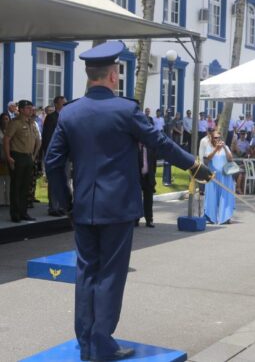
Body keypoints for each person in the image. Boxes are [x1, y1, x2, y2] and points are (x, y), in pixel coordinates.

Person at [44, 41, 212, 362]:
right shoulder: (126, 109)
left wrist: (66, 201)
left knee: (86, 273)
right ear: (113, 75)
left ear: (90, 75)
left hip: (83, 208)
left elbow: (52, 162)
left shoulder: (70, 113)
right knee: (110, 274)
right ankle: (103, 344)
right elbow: (160, 143)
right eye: (118, 71)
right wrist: (194, 165)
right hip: (117, 208)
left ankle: (86, 343)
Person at [3, 100, 41, 222]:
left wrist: (34, 156)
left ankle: (23, 212)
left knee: (26, 186)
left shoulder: (32, 123)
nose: (31, 110)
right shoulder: (15, 123)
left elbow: (37, 140)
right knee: (16, 186)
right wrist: (8, 156)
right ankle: (15, 214)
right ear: (21, 109)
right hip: (17, 156)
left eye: (31, 108)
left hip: (28, 157)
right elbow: (7, 140)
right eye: (28, 108)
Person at [42, 95, 67, 216]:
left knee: (63, 181)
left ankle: (61, 206)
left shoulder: (66, 117)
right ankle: (53, 207)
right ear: (56, 104)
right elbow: (47, 137)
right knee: (54, 181)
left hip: (65, 154)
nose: (65, 105)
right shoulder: (51, 118)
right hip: (55, 154)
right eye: (63, 103)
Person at [204, 130, 235, 224]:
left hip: (225, 176)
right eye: (215, 137)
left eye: (219, 137)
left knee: (225, 196)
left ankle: (225, 217)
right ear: (212, 138)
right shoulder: (209, 147)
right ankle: (210, 217)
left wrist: (224, 148)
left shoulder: (226, 147)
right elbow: (207, 160)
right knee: (211, 196)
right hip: (213, 176)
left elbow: (230, 159)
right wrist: (215, 149)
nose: (218, 139)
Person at [0, 113, 11, 206]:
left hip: (10, 157)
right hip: (0, 158)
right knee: (0, 180)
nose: (5, 121)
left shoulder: (12, 130)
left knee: (9, 179)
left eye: (7, 119)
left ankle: (9, 200)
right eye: (3, 119)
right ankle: (1, 200)